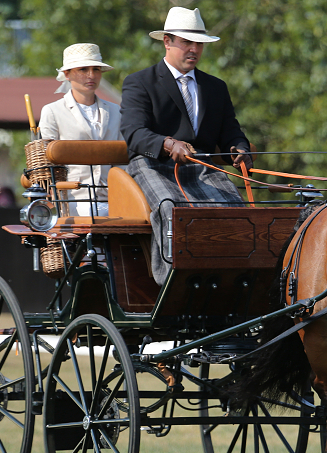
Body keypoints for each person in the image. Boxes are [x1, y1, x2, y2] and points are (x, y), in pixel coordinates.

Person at [121, 6, 253, 286]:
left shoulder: (215, 87)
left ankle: (236, 282)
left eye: (198, 44)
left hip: (203, 166)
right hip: (154, 165)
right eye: (186, 42)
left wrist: (238, 150)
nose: (193, 49)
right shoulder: (139, 83)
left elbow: (231, 131)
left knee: (239, 212)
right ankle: (173, 283)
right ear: (167, 41)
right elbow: (134, 133)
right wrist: (168, 144)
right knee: (174, 212)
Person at [39, 43, 121, 217]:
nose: (91, 75)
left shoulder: (116, 111)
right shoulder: (52, 111)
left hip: (113, 199)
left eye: (96, 69)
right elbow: (49, 164)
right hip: (72, 201)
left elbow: (122, 160)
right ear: (67, 74)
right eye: (83, 69)